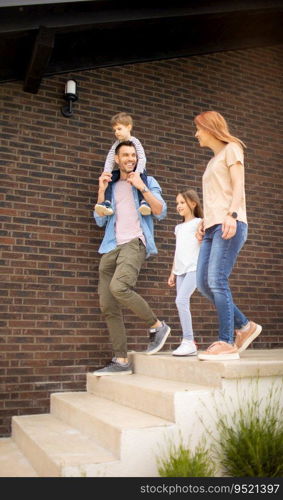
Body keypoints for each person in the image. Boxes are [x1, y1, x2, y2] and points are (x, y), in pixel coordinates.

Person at [93, 140, 171, 375]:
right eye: (125, 155)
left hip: (134, 242)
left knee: (120, 287)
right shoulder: (112, 185)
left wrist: (141, 187)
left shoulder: (146, 181)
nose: (130, 159)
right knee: (108, 305)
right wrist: (100, 190)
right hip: (110, 247)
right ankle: (121, 360)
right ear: (116, 159)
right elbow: (99, 219)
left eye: (133, 155)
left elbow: (161, 211)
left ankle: (157, 326)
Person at [194, 111, 262, 361]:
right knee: (203, 283)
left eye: (198, 129)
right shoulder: (212, 161)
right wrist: (203, 221)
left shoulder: (232, 149)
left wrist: (232, 214)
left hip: (230, 224)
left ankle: (227, 341)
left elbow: (238, 186)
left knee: (217, 280)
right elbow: (216, 196)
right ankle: (245, 326)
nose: (196, 134)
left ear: (210, 128)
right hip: (212, 227)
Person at [94, 112, 151, 217]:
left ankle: (144, 202)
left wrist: (137, 173)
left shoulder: (135, 142)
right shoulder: (116, 144)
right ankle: (107, 203)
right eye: (115, 130)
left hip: (138, 170)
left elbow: (142, 158)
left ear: (129, 127)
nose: (116, 132)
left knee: (142, 179)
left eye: (119, 129)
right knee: (109, 180)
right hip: (124, 172)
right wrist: (106, 173)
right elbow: (110, 159)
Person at [168, 189, 203, 356]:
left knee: (181, 300)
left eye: (182, 202)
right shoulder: (178, 227)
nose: (178, 206)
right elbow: (178, 251)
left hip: (194, 267)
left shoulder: (200, 222)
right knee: (181, 303)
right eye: (177, 203)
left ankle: (188, 341)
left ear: (193, 203)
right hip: (180, 270)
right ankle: (188, 341)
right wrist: (172, 272)